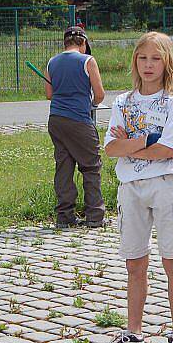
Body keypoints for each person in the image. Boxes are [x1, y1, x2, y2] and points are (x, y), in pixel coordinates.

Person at [98, 32, 173, 343]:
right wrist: (145, 139)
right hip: (131, 189)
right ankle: (133, 333)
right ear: (135, 62)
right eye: (142, 58)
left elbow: (170, 148)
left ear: (167, 62)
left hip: (164, 185)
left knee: (172, 260)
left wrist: (132, 142)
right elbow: (111, 149)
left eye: (156, 58)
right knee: (134, 263)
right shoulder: (123, 103)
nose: (148, 65)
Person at [45, 26, 106, 228]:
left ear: (65, 43)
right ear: (84, 43)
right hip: (79, 119)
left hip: (56, 120)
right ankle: (95, 216)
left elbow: (49, 94)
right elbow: (99, 94)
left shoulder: (52, 62)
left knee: (64, 167)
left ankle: (64, 216)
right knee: (90, 166)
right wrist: (92, 106)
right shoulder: (87, 61)